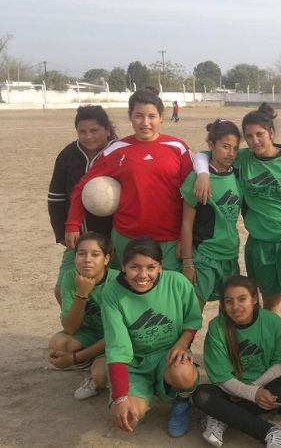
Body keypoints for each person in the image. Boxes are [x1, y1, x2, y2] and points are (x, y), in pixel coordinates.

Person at [193, 104, 281, 389]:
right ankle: (271, 357)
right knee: (269, 304)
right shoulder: (242, 159)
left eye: (259, 134)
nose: (254, 141)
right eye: (249, 136)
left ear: (271, 133)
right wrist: (202, 173)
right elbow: (202, 154)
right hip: (259, 245)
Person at [65, 90, 194, 272]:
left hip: (169, 239)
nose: (145, 122)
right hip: (126, 237)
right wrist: (72, 224)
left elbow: (190, 197)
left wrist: (183, 239)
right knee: (126, 287)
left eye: (152, 116)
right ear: (130, 116)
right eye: (139, 116)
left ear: (161, 118)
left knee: (167, 288)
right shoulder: (116, 150)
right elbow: (82, 186)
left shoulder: (178, 148)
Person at [101, 237, 202, 437]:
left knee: (183, 374)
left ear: (160, 267)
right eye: (134, 267)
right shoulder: (112, 292)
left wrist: (182, 344)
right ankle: (143, 390)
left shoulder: (177, 282)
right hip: (134, 363)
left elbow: (193, 320)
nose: (143, 275)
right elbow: (117, 346)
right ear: (123, 266)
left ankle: (182, 401)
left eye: (151, 267)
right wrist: (120, 397)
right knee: (129, 416)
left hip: (168, 355)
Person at [194, 275, 281, 448]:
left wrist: (255, 389)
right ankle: (271, 433)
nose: (235, 307)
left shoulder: (273, 322)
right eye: (229, 301)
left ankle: (221, 416)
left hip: (264, 385)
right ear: (223, 304)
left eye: (242, 299)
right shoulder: (217, 327)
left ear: (255, 299)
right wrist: (252, 394)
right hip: (229, 389)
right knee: (202, 395)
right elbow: (222, 377)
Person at [48, 105, 117, 304]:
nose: (88, 136)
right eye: (82, 132)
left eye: (94, 130)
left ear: (107, 129)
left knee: (112, 291)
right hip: (79, 238)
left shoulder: (119, 152)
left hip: (114, 238)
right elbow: (56, 197)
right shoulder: (68, 155)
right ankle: (78, 323)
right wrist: (62, 232)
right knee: (63, 290)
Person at [46, 231, 117, 399]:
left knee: (101, 376)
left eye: (95, 254)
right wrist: (82, 294)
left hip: (115, 338)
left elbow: (115, 335)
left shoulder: (118, 282)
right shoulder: (71, 277)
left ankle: (94, 369)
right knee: (58, 345)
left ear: (106, 259)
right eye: (81, 254)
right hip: (92, 332)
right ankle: (88, 367)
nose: (87, 260)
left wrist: (74, 358)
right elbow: (70, 328)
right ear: (75, 257)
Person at [180, 119, 242, 309]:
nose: (231, 153)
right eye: (225, 147)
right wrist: (188, 263)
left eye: (235, 148)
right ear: (211, 145)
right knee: (194, 311)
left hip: (230, 255)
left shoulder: (237, 173)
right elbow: (186, 223)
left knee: (230, 311)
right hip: (204, 256)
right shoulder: (196, 179)